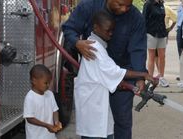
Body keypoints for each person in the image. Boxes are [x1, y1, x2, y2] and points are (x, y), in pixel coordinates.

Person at [62, 0, 147, 138]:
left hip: (123, 75)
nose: (125, 9)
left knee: (121, 121)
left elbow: (138, 49)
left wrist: (140, 78)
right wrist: (77, 42)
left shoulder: (135, 17)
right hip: (95, 78)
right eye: (120, 4)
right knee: (94, 125)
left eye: (128, 5)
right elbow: (69, 28)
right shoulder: (88, 6)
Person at [23, 64, 62, 139]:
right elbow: (29, 118)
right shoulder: (30, 97)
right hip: (35, 136)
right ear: (34, 81)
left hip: (49, 136)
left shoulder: (50, 94)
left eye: (49, 83)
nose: (48, 85)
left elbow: (55, 110)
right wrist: (47, 125)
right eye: (45, 83)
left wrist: (56, 122)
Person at [143, 0, 169, 87]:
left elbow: (162, 19)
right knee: (152, 56)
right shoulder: (148, 4)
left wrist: (166, 33)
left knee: (162, 56)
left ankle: (161, 77)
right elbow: (144, 19)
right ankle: (150, 79)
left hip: (162, 33)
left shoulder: (161, 4)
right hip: (151, 33)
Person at [153, 4, 177, 83]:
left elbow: (175, 19)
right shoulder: (150, 6)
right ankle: (159, 72)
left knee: (161, 54)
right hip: (153, 32)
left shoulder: (166, 8)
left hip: (163, 32)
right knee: (155, 55)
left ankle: (161, 74)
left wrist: (170, 28)